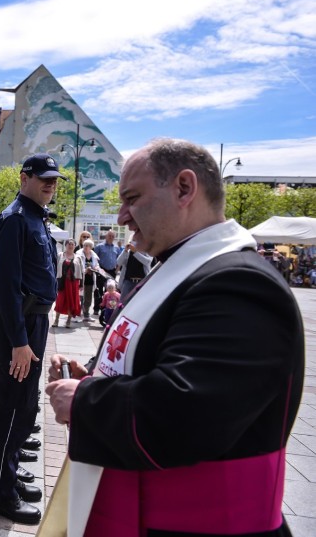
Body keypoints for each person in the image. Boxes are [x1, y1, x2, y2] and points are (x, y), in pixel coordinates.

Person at [45, 138, 304, 536]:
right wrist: (97, 377)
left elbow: (188, 411)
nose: (122, 216)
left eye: (132, 198)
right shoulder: (182, 265)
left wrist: (85, 401)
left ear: (185, 188)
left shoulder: (239, 282)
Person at [0, 153, 64, 525]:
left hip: (34, 322)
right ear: (24, 178)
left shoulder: (34, 216)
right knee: (14, 406)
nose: (51, 184)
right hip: (21, 325)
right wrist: (18, 340)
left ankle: (9, 473)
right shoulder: (15, 218)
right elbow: (6, 283)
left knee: (27, 406)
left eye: (55, 179)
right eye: (44, 178)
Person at [53, 239, 82, 327]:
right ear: (65, 245)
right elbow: (55, 267)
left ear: (75, 246)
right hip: (62, 281)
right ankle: (56, 320)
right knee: (60, 300)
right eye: (69, 244)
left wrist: (81, 284)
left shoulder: (78, 257)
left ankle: (68, 321)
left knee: (71, 301)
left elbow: (81, 271)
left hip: (73, 283)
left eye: (72, 244)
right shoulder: (60, 255)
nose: (70, 246)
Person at [92, 230, 121, 314]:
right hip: (101, 271)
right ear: (106, 236)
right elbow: (94, 259)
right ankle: (96, 308)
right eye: (109, 236)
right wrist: (98, 269)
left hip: (112, 272)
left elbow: (119, 260)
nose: (111, 237)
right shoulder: (99, 246)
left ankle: (107, 309)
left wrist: (117, 270)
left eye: (112, 236)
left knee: (110, 291)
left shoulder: (116, 248)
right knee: (99, 290)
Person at [79, 239, 99, 322]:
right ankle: (78, 314)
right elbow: (77, 267)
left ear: (91, 247)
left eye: (88, 246)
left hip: (90, 280)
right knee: (80, 297)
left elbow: (97, 265)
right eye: (85, 245)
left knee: (88, 298)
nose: (86, 247)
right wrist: (85, 270)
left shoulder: (94, 255)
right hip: (81, 279)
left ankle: (86, 314)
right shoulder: (79, 255)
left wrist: (96, 268)